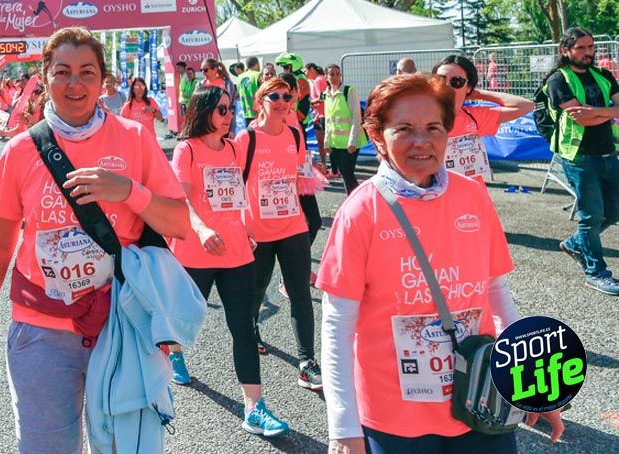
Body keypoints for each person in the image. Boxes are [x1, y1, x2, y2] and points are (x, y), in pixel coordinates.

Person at [0, 27, 190, 454]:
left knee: (128, 447)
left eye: (87, 72)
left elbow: (179, 222)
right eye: (62, 71)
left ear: (103, 80)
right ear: (45, 77)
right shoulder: (21, 151)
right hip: (42, 332)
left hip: (120, 325)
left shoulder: (134, 138)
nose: (75, 83)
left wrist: (128, 191)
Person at [318, 74, 563, 453]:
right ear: (377, 137)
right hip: (396, 420)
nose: (422, 141)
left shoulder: (473, 197)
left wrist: (532, 384)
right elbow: (337, 324)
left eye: (433, 127)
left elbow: (497, 295)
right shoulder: (361, 211)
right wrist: (343, 428)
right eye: (404, 129)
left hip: (481, 401)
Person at [166, 85, 290, 437]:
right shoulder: (187, 150)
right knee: (183, 319)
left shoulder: (235, 148)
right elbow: (181, 200)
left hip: (236, 252)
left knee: (244, 328)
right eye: (221, 109)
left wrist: (246, 228)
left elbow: (237, 195)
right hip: (195, 250)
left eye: (230, 109)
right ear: (203, 110)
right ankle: (174, 354)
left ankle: (254, 408)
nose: (228, 116)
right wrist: (202, 228)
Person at [235, 77, 321, 390]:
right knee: (257, 290)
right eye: (275, 96)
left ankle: (307, 362)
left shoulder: (295, 134)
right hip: (257, 230)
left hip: (292, 227)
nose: (283, 102)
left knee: (300, 294)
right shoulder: (246, 138)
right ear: (260, 101)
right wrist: (240, 226)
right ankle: (253, 328)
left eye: (287, 96)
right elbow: (234, 182)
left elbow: (298, 175)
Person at [545, 28, 619, 295]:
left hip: (609, 153)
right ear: (565, 50)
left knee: (614, 211)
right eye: (581, 48)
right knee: (591, 216)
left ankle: (576, 243)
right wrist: (609, 112)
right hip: (579, 157)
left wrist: (595, 111)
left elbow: (589, 114)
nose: (589, 53)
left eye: (591, 47)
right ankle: (596, 272)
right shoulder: (558, 79)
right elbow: (581, 119)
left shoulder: (603, 75)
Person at [433, 55, 532, 184]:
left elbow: (525, 106)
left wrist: (478, 94)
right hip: (435, 192)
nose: (447, 86)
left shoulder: (474, 116)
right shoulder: (420, 117)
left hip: (472, 192)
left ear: (468, 87)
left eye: (456, 81)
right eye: (440, 79)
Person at [322, 64, 366, 195]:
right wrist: (326, 141)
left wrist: (352, 141)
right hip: (336, 142)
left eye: (337, 74)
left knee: (347, 173)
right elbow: (328, 120)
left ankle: (356, 200)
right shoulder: (327, 94)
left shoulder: (349, 91)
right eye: (331, 74)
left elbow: (356, 117)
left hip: (349, 143)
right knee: (345, 174)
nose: (335, 77)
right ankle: (352, 200)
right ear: (326, 76)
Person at [236, 56, 260, 123]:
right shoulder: (258, 75)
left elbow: (238, 93)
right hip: (258, 113)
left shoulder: (239, 77)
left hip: (246, 113)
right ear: (257, 64)